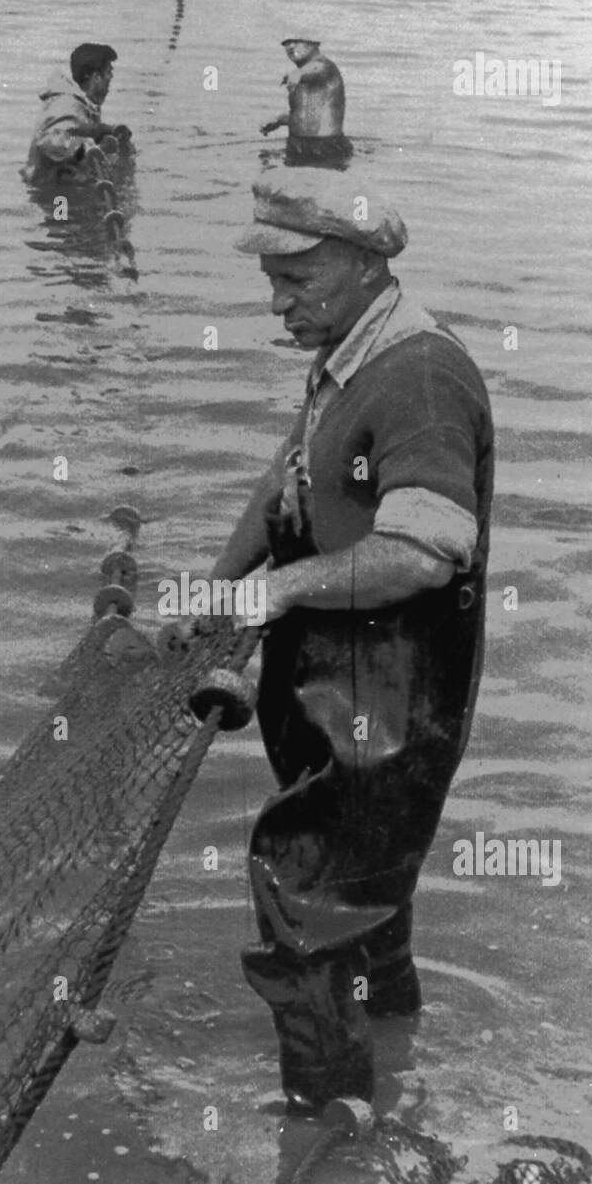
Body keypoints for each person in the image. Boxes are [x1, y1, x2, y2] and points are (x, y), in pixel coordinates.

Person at [215, 167, 494, 1115]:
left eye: (296, 281)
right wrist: (215, 591)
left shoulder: (418, 375)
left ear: (365, 264)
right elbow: (290, 474)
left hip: (393, 695)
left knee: (304, 902)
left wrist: (275, 591)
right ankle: (392, 1076)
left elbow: (422, 551)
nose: (277, 305)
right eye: (272, 282)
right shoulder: (346, 350)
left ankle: (327, 1145)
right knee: (365, 912)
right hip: (336, 687)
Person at [21, 42, 132, 185]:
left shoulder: (81, 104)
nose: (111, 78)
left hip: (60, 183)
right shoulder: (68, 104)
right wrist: (82, 147)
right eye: (108, 72)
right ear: (94, 76)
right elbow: (50, 140)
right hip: (54, 192)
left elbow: (78, 127)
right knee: (66, 201)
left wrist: (104, 131)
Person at [260, 37, 351, 164]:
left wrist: (299, 74)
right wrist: (280, 120)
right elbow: (307, 113)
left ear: (313, 43)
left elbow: (316, 69)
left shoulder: (326, 67)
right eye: (286, 43)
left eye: (297, 42)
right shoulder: (297, 75)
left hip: (326, 146)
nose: (290, 47)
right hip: (296, 145)